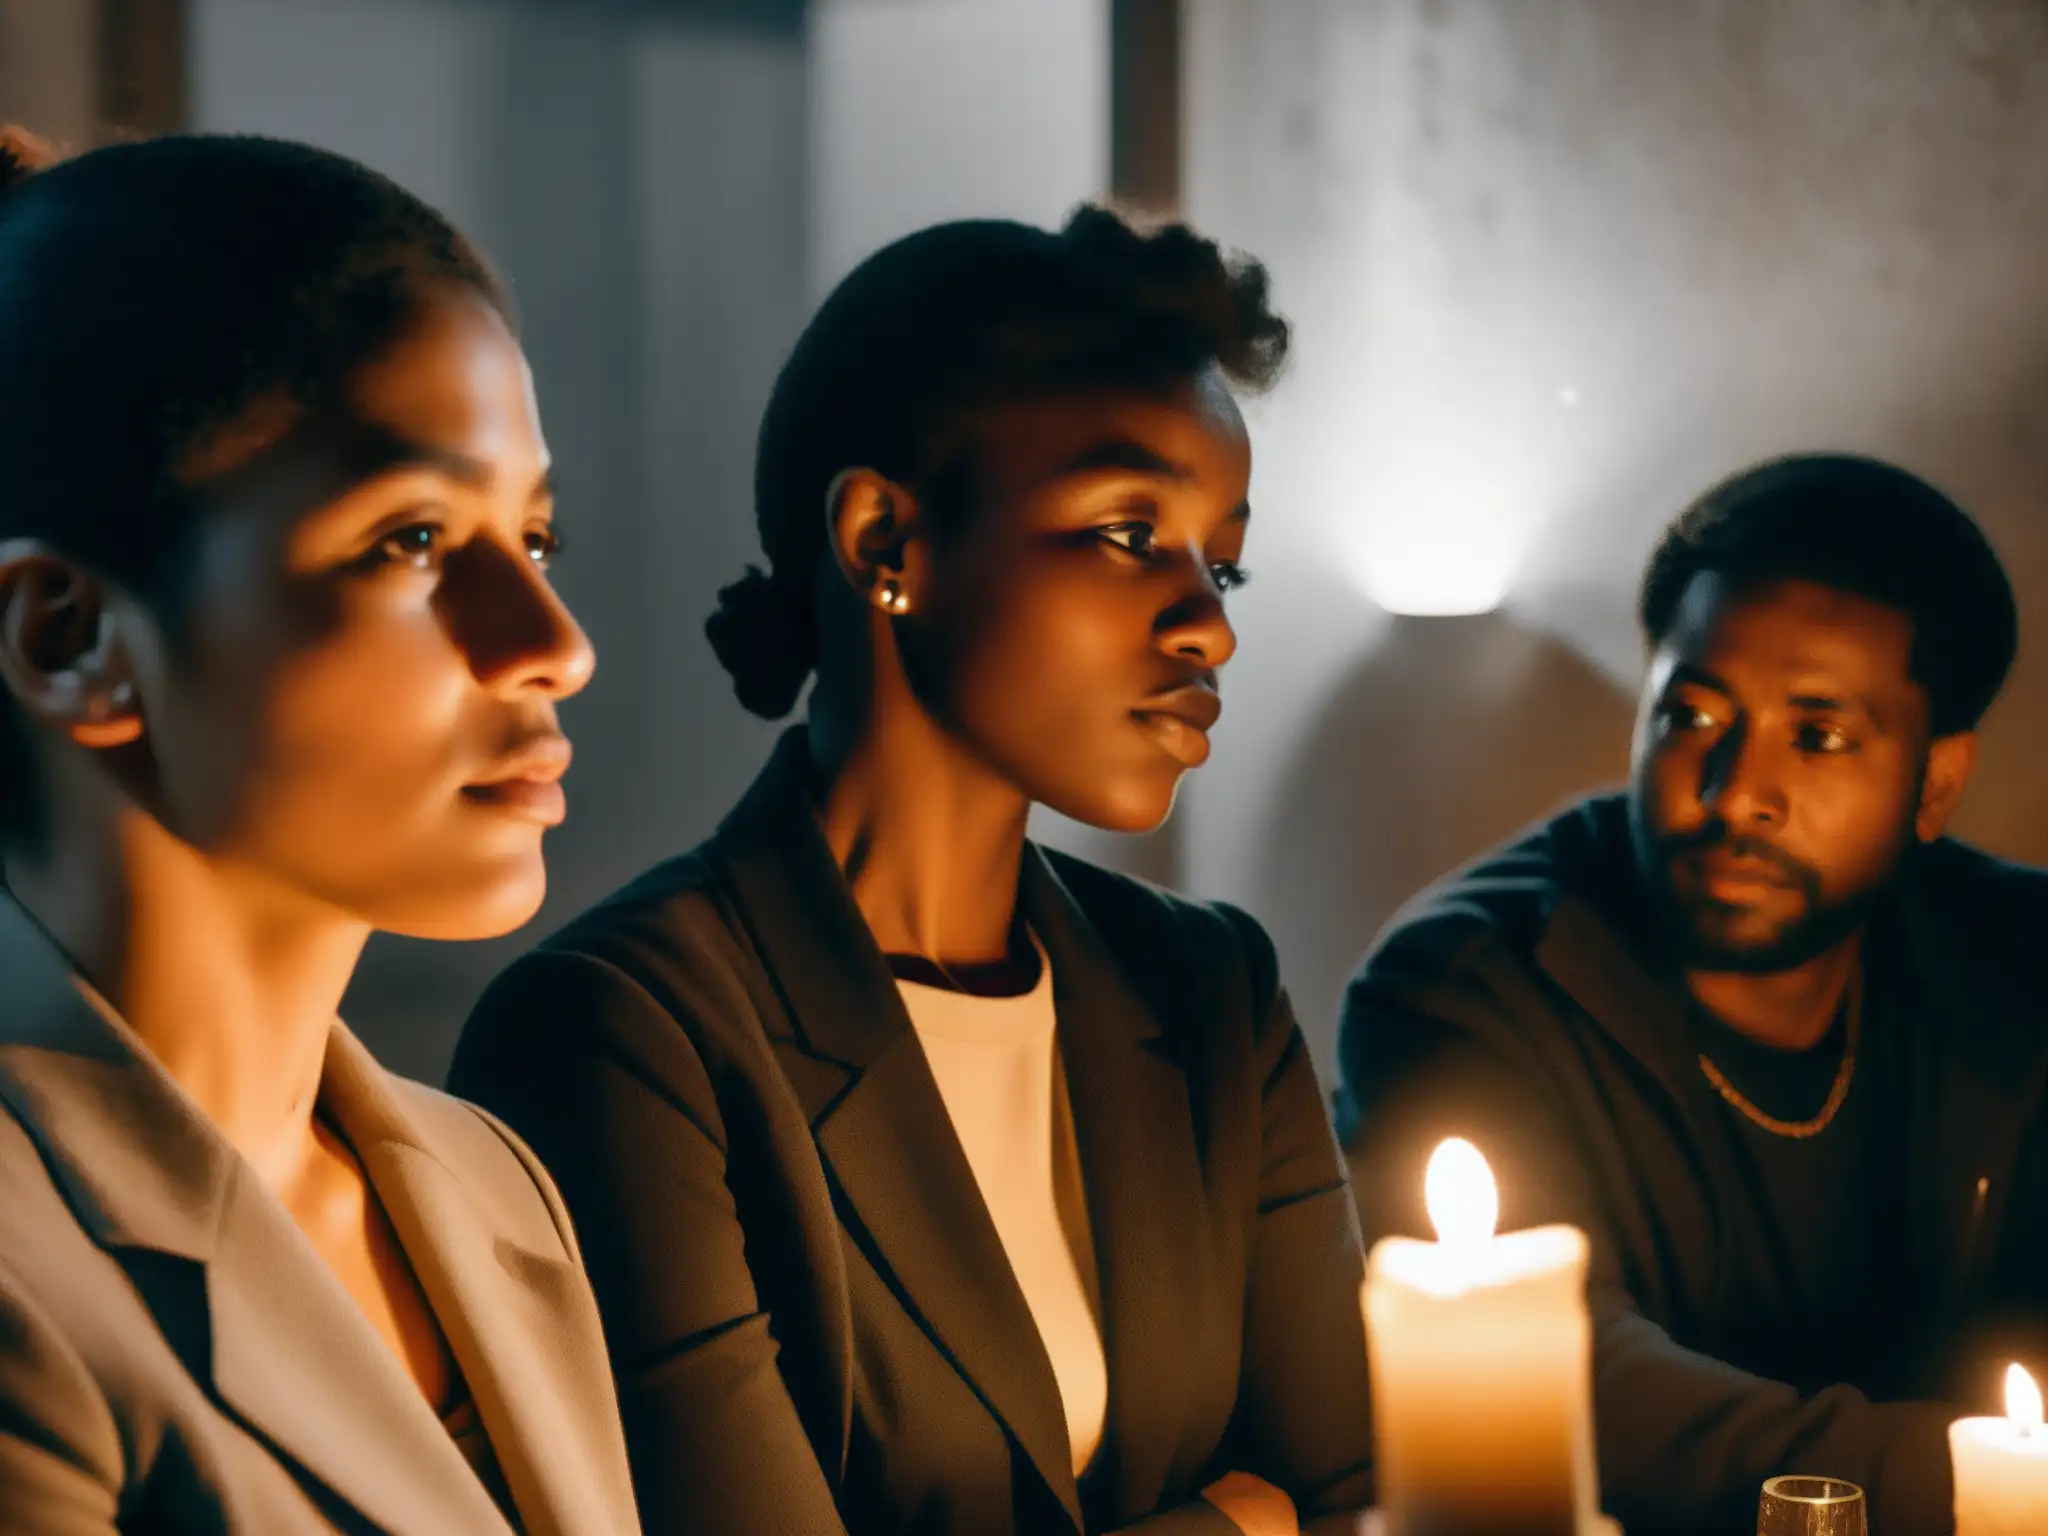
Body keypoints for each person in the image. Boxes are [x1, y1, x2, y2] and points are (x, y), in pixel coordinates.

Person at [448, 208, 1374, 1536]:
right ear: (888, 541)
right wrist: (1233, 1523)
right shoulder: (621, 1038)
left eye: (1221, 558)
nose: (1209, 624)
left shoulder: (1213, 989)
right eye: (1128, 533)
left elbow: (1362, 1501)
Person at [0, 128, 638, 1534]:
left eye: (532, 538)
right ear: (70, 638)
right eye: (410, 539)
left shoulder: (491, 1188)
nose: (553, 644)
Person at [1336, 453, 2048, 1535]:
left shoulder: (2014, 959)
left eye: (1816, 736)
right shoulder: (1462, 983)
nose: (1735, 793)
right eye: (1691, 717)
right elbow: (1573, 1385)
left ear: (1935, 782)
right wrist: (1969, 1478)